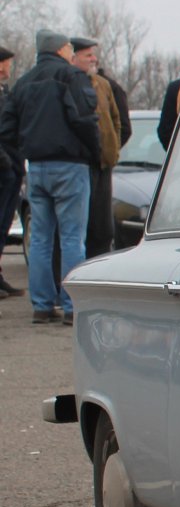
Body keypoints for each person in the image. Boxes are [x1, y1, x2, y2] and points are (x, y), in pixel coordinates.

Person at [0, 30, 100, 325]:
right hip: (70, 166)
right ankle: (72, 307)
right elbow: (85, 118)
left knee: (41, 239)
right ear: (60, 50)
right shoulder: (71, 77)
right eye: (70, 48)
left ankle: (42, 306)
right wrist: (93, 152)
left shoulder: (23, 83)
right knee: (71, 237)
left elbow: (6, 128)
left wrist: (28, 145)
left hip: (38, 167)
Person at [70, 37, 123, 258]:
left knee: (103, 229)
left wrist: (113, 147)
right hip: (82, 165)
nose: (94, 59)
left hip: (104, 165)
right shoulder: (69, 84)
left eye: (93, 54)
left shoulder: (103, 84)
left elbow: (116, 120)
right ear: (73, 58)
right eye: (87, 55)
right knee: (80, 228)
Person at [0, 45, 24, 298]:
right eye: (7, 63)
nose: (8, 68)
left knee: (4, 226)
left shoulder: (5, 92)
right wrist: (5, 164)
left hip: (12, 166)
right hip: (4, 168)